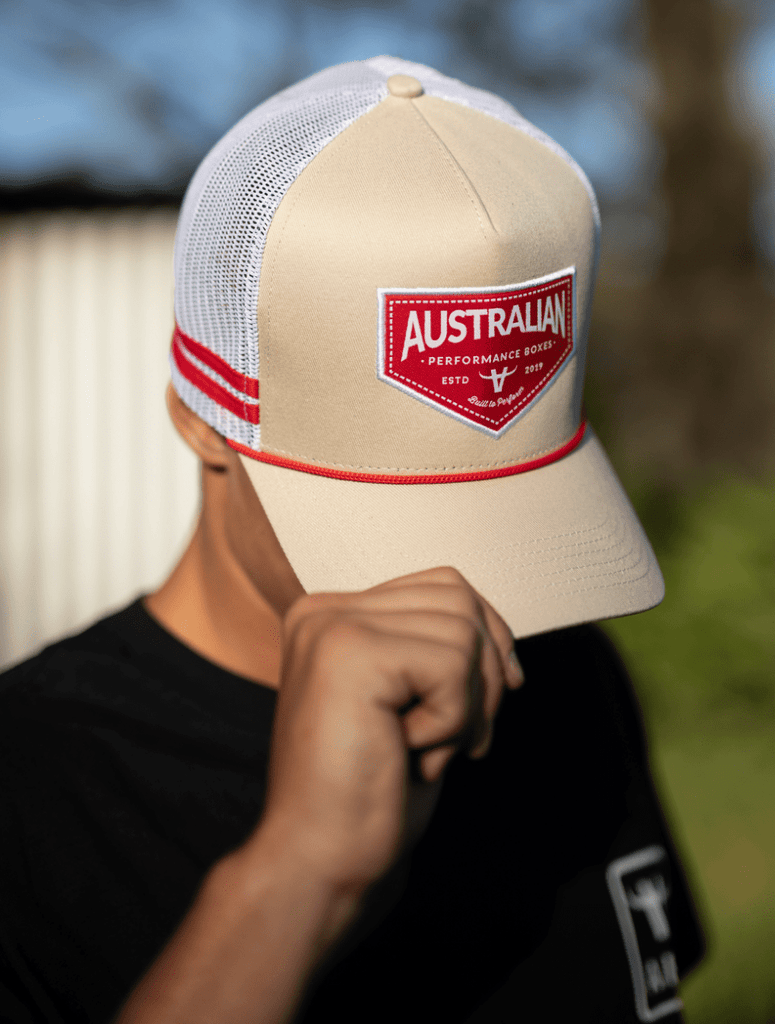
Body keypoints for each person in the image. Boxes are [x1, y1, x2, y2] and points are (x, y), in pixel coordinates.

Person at [0, 57, 706, 1024]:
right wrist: (299, 875)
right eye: (389, 507)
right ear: (206, 417)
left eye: (519, 508)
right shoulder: (33, 796)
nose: (473, 584)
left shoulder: (570, 681)